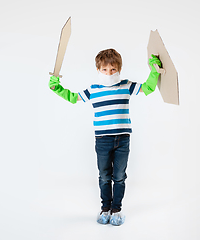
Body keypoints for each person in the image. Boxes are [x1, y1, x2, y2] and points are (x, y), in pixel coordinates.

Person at [48, 49, 162, 226]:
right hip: (102, 140)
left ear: (119, 69)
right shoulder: (93, 90)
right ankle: (105, 209)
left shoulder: (126, 85)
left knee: (119, 176)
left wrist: (155, 70)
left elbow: (148, 87)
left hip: (123, 139)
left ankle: (116, 210)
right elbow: (72, 97)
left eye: (113, 70)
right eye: (104, 70)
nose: (109, 73)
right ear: (98, 70)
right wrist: (56, 87)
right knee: (103, 175)